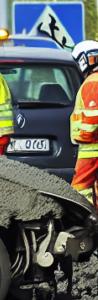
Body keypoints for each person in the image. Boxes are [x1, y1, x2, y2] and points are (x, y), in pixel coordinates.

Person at [70, 40, 98, 207]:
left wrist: (82, 136)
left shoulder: (92, 82)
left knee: (80, 189)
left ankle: (83, 217)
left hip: (91, 148)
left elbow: (92, 116)